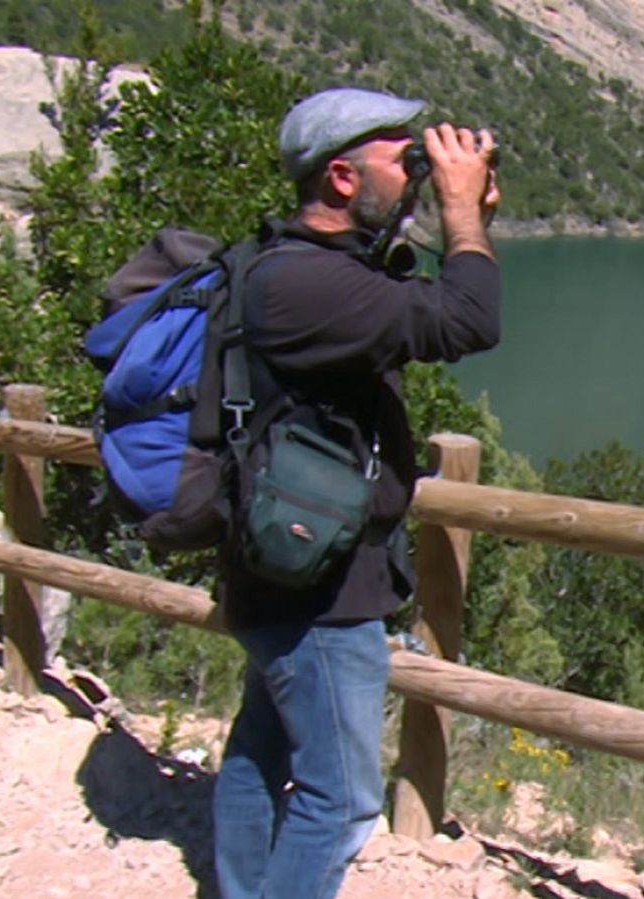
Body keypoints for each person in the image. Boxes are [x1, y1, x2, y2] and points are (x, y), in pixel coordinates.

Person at [211, 86, 501, 899]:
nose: (418, 170)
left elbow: (421, 300)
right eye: (402, 158)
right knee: (341, 800)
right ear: (342, 177)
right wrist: (459, 212)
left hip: (283, 554)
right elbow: (468, 321)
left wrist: (464, 214)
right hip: (320, 586)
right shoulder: (309, 284)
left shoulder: (295, 263)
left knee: (262, 747)